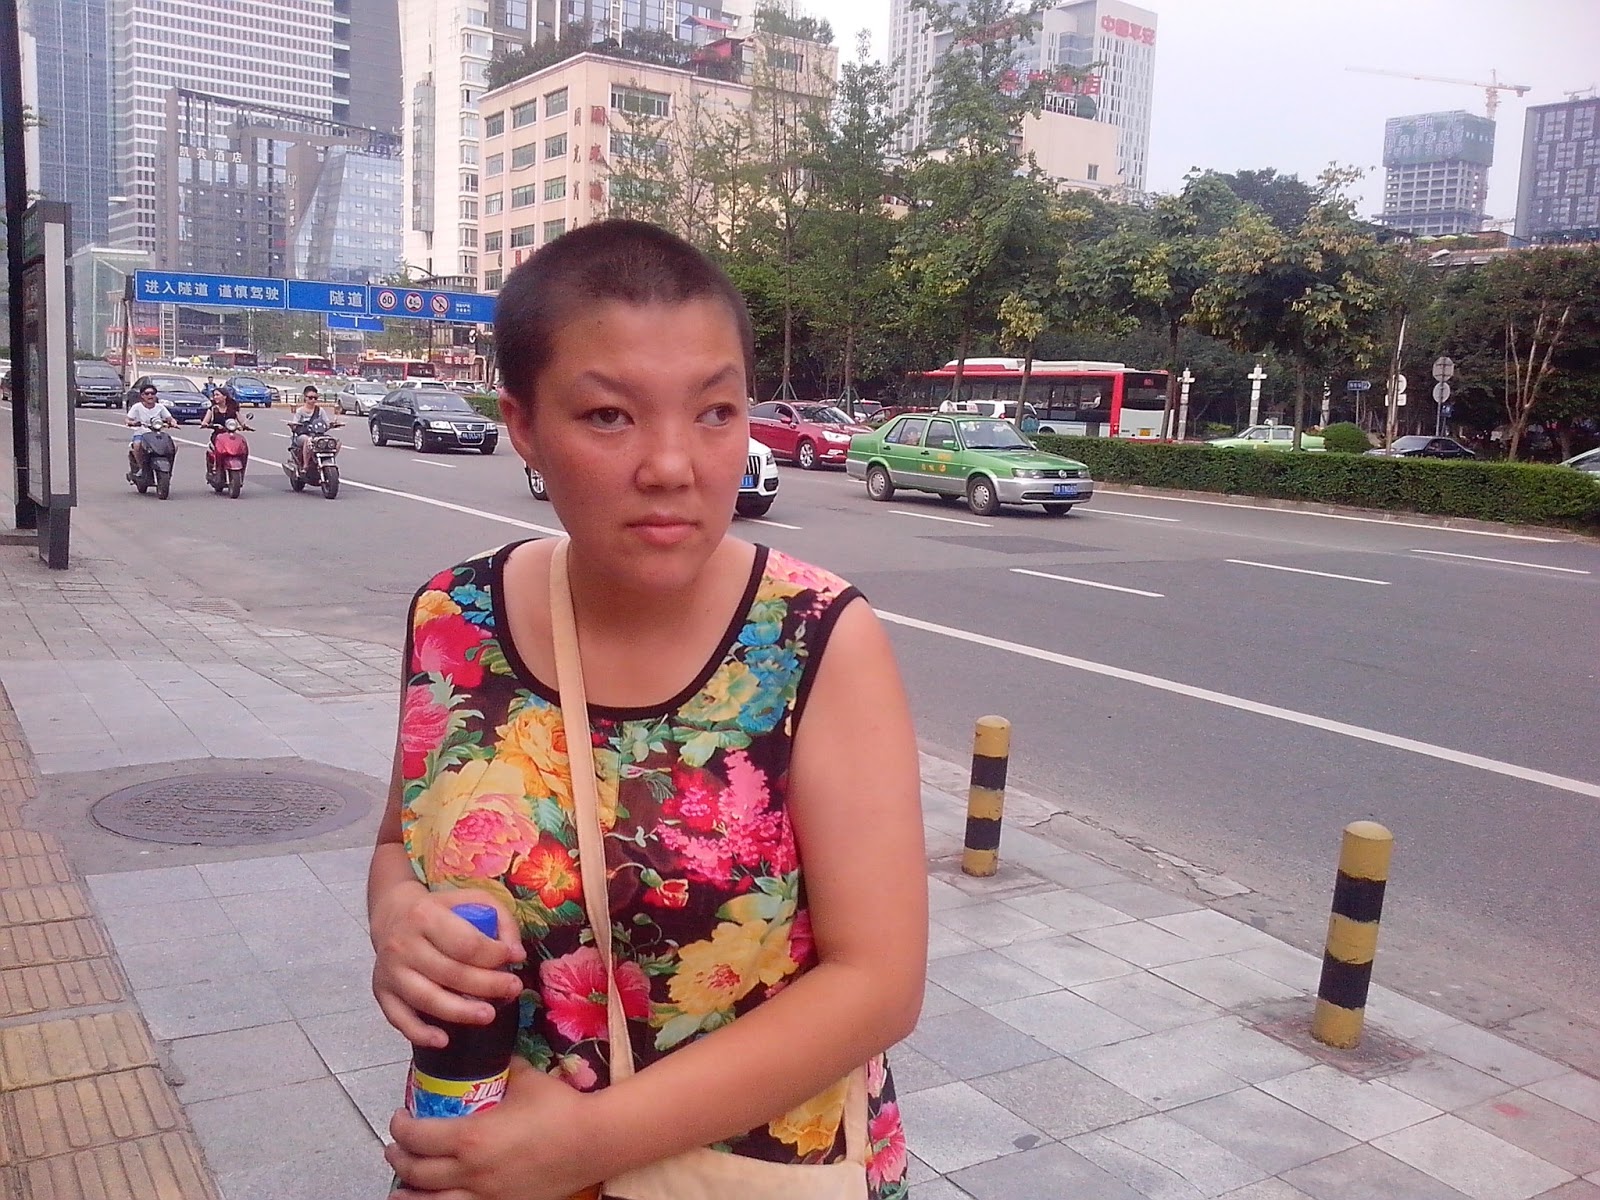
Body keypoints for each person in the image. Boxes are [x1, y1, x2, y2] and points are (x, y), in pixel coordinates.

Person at [371, 220, 927, 1200]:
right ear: (524, 426)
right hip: (488, 1162)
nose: (673, 463)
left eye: (714, 411)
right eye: (609, 416)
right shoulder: (452, 618)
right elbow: (397, 843)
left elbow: (877, 983)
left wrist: (587, 1147)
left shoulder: (815, 639)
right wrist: (400, 925)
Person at [286, 385, 338, 474]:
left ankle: (328, 460)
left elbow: (326, 424)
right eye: (310, 398)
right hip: (303, 436)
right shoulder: (300, 411)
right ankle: (305, 465)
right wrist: (293, 426)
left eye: (315, 398)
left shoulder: (320, 410)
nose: (313, 400)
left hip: (317, 435)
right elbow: (295, 423)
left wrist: (333, 425)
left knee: (336, 441)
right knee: (308, 440)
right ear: (305, 398)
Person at [125, 384, 175, 478]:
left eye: (152, 393)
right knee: (137, 445)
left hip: (157, 434)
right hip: (141, 433)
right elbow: (127, 419)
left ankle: (169, 469)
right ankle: (141, 468)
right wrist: (133, 422)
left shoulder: (160, 407)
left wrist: (173, 423)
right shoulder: (137, 407)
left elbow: (170, 418)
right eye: (147, 393)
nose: (150, 396)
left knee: (173, 447)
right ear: (142, 395)